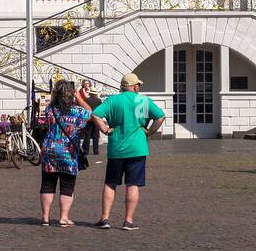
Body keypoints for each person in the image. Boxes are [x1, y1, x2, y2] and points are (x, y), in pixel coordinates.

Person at [91, 72, 165, 231]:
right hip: (137, 148)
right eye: (138, 85)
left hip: (116, 148)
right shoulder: (143, 100)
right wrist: (150, 132)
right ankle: (128, 221)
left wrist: (104, 129)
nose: (139, 87)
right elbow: (160, 117)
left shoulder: (113, 100)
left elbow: (95, 114)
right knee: (132, 185)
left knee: (110, 183)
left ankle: (104, 218)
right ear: (134, 86)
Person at [38, 80, 90, 227]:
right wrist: (78, 97)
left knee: (47, 183)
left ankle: (45, 217)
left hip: (49, 148)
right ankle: (63, 218)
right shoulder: (78, 111)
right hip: (68, 151)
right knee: (67, 184)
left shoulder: (50, 109)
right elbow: (90, 112)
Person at [76, 79, 102, 163]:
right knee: (95, 135)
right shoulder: (99, 101)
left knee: (87, 135)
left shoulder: (86, 100)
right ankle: (96, 150)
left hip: (89, 119)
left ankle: (86, 150)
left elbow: (83, 109)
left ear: (90, 94)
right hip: (96, 119)